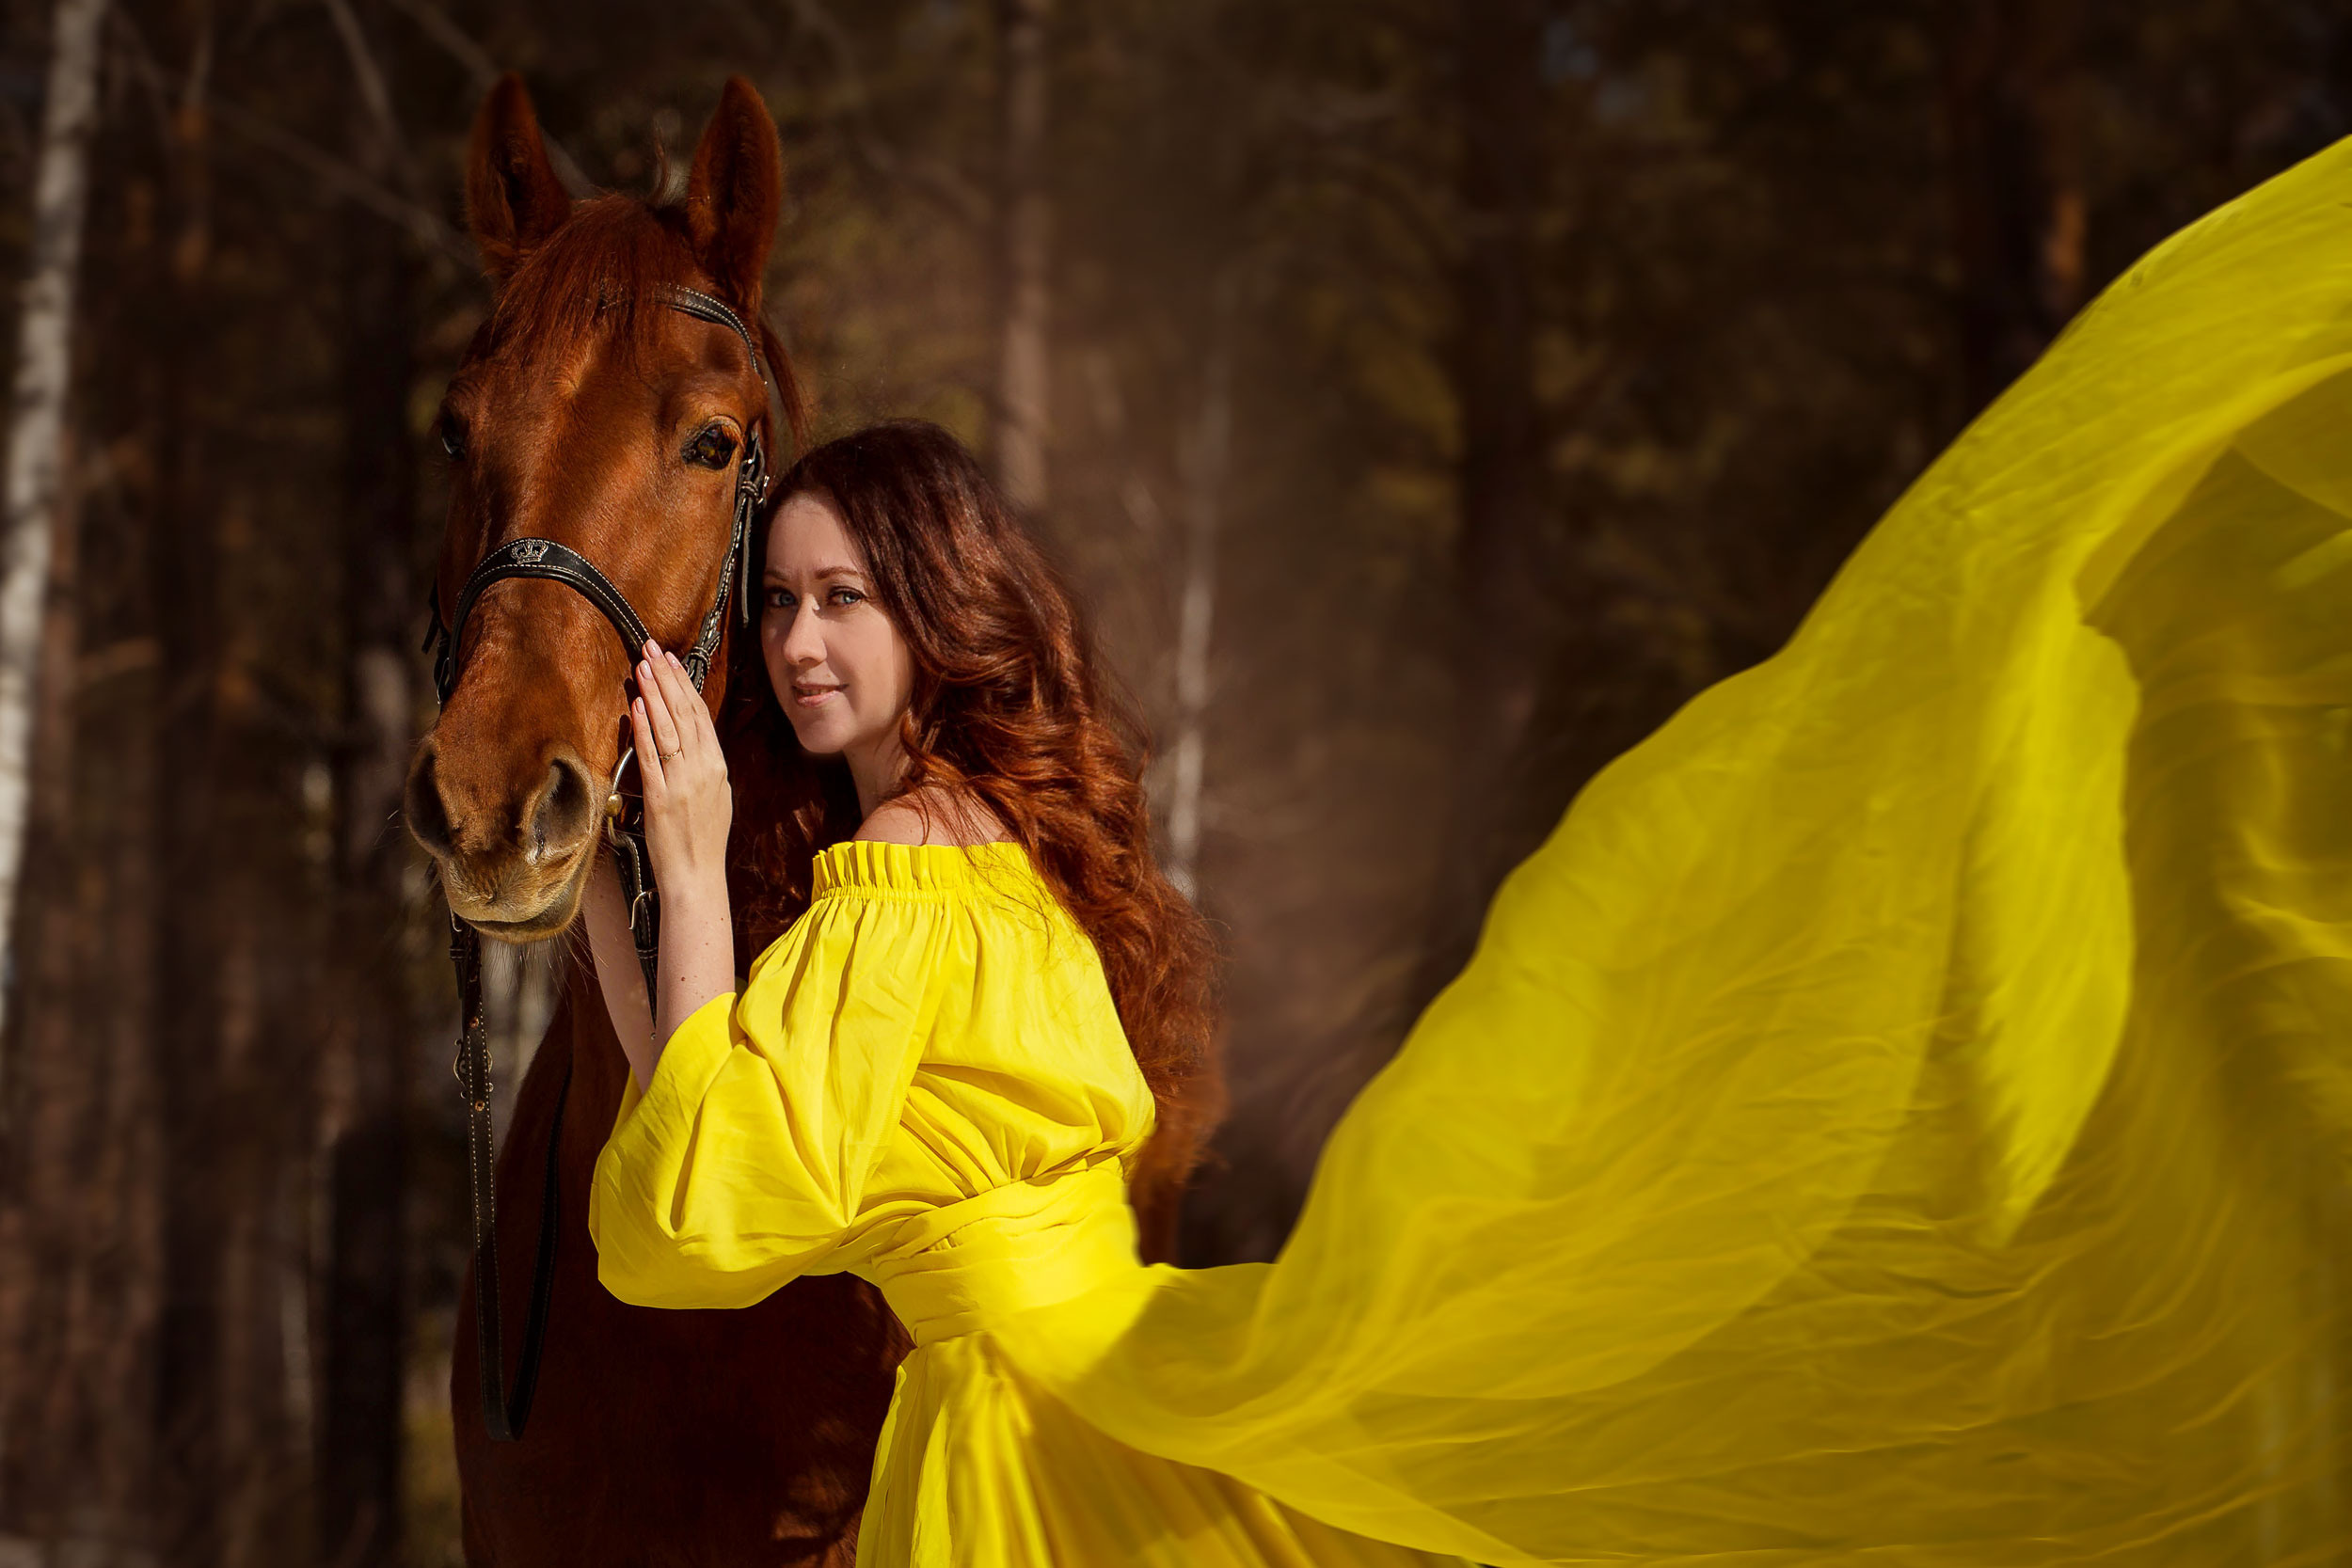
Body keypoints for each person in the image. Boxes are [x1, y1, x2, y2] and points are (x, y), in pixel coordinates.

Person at [585, 134, 2352, 1566]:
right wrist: (621, 893)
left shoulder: (902, 877)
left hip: (1023, 1450)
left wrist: (689, 838)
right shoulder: (1000, 859)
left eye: (845, 599)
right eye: (786, 598)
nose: (804, 642)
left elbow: (701, 1209)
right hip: (1119, 1388)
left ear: (937, 611)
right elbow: (740, 1114)